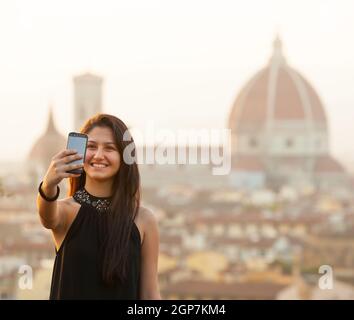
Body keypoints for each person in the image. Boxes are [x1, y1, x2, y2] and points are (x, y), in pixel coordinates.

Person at [36, 113, 161, 299]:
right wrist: (48, 185)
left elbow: (150, 295)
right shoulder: (66, 212)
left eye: (109, 148)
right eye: (91, 147)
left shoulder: (143, 219)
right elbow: (47, 217)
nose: (98, 155)